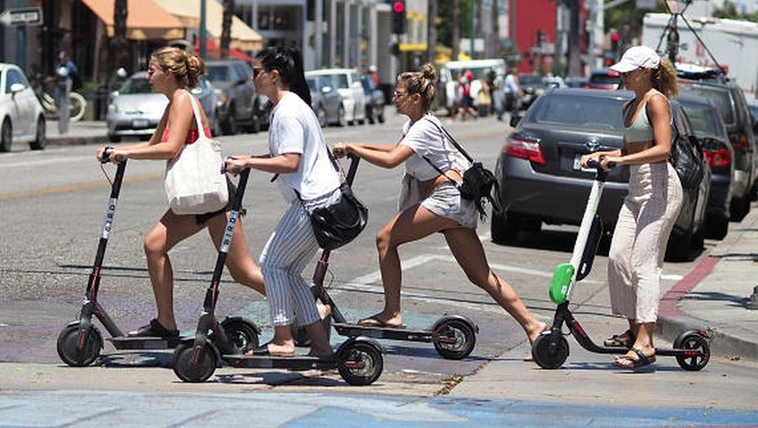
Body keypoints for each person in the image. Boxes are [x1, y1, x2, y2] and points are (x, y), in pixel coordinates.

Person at [332, 63, 546, 351]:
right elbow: (394, 149)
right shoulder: (416, 125)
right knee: (480, 275)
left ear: (415, 98)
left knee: (385, 239)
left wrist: (354, 149)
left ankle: (392, 313)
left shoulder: (424, 128)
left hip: (446, 199)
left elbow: (392, 160)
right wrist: (353, 144)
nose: (393, 98)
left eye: (399, 94)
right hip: (453, 203)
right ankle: (534, 326)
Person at [97, 46, 266, 338]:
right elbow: (152, 146)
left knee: (243, 272)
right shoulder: (172, 102)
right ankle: (166, 324)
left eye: (152, 70)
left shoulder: (182, 100)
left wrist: (125, 154)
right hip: (196, 198)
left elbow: (171, 147)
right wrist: (115, 151)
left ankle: (309, 308)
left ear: (169, 73)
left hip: (212, 197)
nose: (148, 76)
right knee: (154, 245)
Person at [224, 46, 336, 359]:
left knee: (271, 264)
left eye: (257, 72)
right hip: (321, 203)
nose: (252, 78)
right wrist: (246, 160)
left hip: (313, 204)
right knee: (287, 272)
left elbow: (289, 162)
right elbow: (282, 158)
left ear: (274, 76)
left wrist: (248, 163)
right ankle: (321, 345)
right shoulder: (288, 106)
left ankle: (283, 339)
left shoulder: (287, 110)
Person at [580, 46, 682, 371]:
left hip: (661, 188)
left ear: (646, 71)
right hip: (636, 189)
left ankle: (646, 343)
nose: (622, 76)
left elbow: (663, 150)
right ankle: (633, 330)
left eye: (628, 71)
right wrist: (602, 155)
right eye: (621, 71)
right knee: (617, 257)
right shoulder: (629, 106)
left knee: (643, 264)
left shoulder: (656, 101)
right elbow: (629, 148)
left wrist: (620, 160)